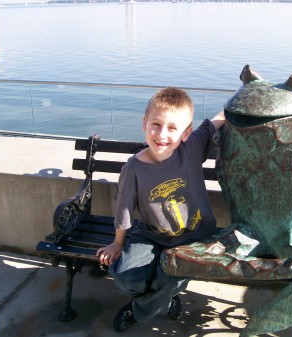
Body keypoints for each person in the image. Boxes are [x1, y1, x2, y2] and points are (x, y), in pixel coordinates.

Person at [96, 86, 225, 332]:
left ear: (186, 133)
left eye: (173, 128)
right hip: (152, 234)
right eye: (155, 124)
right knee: (125, 277)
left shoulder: (192, 149)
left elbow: (218, 119)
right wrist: (118, 244)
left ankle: (140, 309)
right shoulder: (134, 168)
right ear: (144, 123)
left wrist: (249, 98)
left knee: (168, 278)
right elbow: (124, 209)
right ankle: (165, 300)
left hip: (194, 237)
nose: (162, 134)